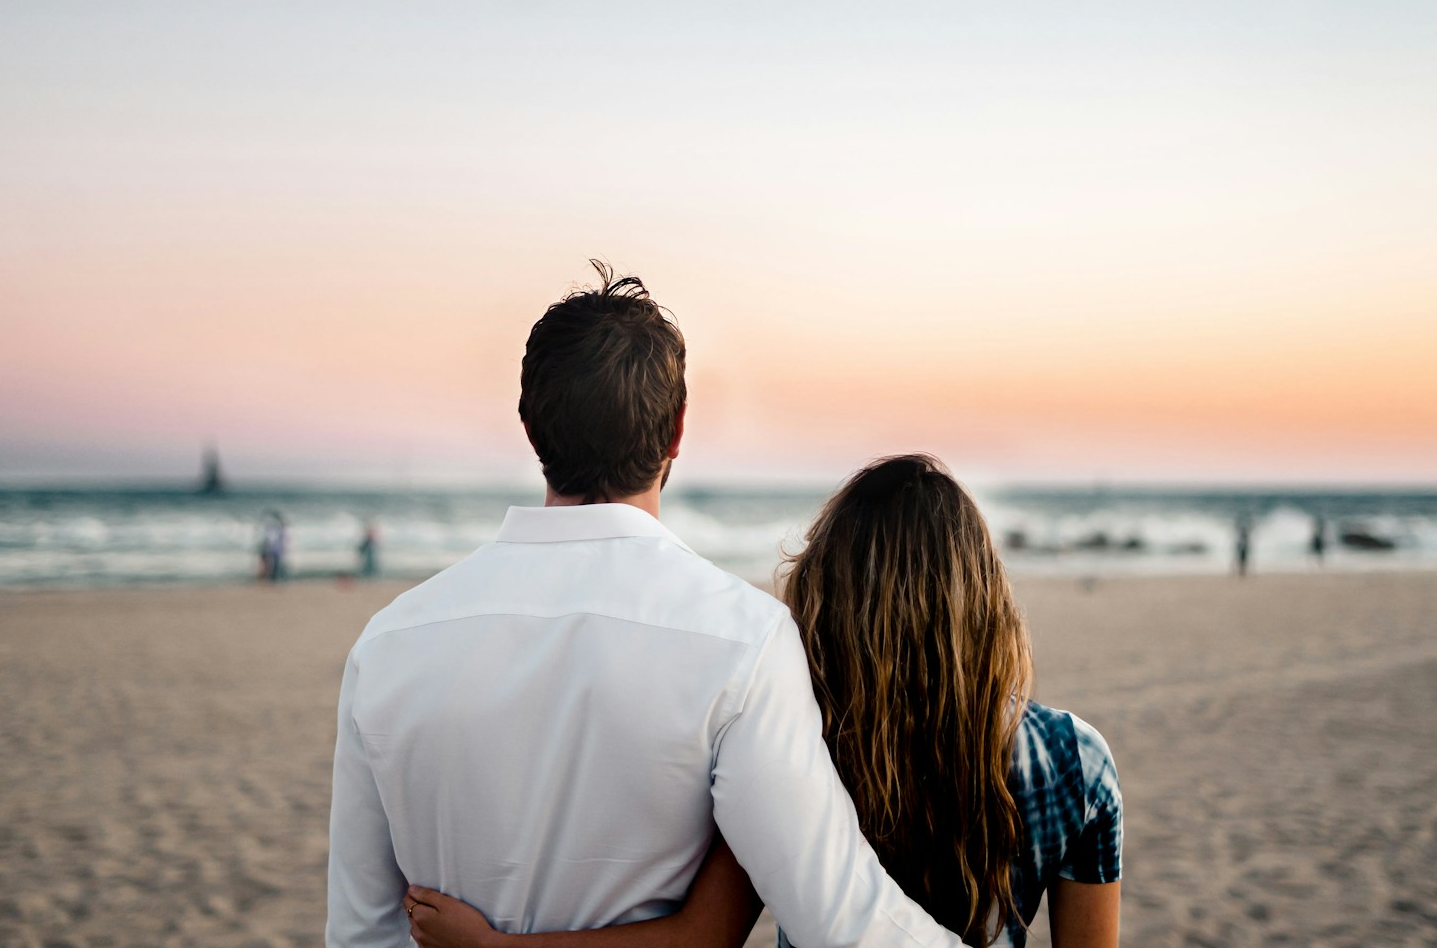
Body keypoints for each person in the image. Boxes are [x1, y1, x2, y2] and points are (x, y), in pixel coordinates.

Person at [326, 264, 964, 948]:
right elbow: (840, 919)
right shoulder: (740, 640)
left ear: (531, 426)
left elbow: (363, 932)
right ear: (677, 430)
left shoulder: (391, 642)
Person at [403, 455, 1122, 948]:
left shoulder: (800, 738)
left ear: (832, 598)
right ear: (984, 598)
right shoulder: (1076, 762)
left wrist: (495, 946)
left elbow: (701, 938)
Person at [1234, 514, 1251, 578]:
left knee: (1243, 561)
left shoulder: (1244, 536)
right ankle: (1241, 572)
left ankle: (1242, 572)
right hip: (1241, 548)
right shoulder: (1242, 536)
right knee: (1241, 561)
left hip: (1243, 548)